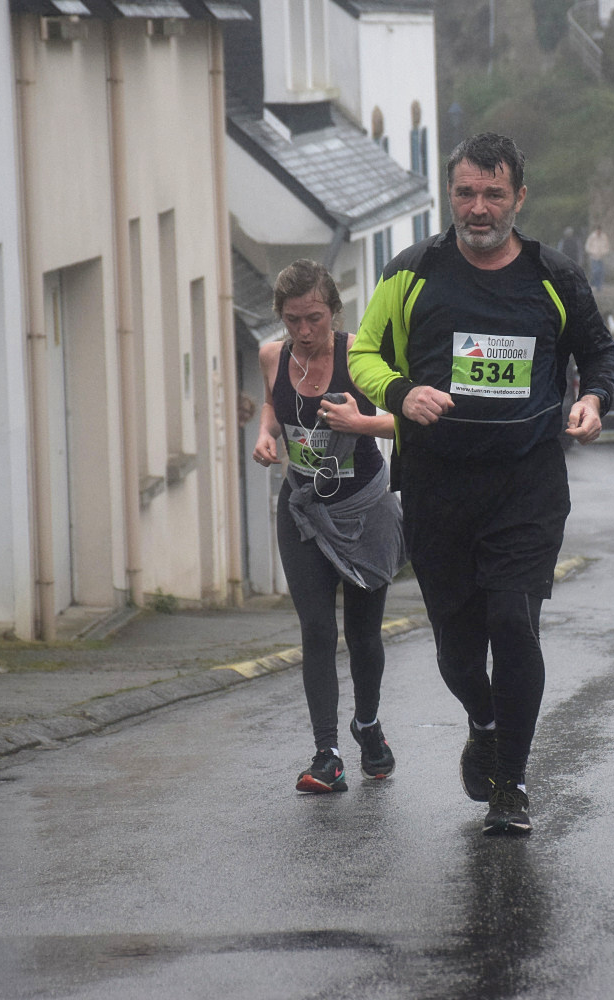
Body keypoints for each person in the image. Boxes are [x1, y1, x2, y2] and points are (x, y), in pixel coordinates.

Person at [349, 132, 614, 836]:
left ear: (519, 197)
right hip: (437, 487)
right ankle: (484, 721)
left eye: (493, 194)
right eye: (466, 193)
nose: (478, 208)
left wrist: (594, 400)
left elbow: (600, 353)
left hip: (526, 483)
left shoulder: (554, 277)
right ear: (450, 194)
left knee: (513, 620)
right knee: (458, 647)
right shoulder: (412, 273)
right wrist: (402, 392)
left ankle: (513, 783)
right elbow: (363, 354)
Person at [251, 259, 407, 794]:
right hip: (303, 508)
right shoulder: (272, 355)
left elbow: (406, 417)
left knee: (363, 635)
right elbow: (273, 405)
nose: (304, 331)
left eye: (314, 318)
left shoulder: (360, 356)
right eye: (293, 320)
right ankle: (327, 755)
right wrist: (266, 434)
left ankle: (368, 724)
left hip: (364, 509)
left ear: (334, 313)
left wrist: (359, 423)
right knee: (317, 631)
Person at [583, 225, 610, 291]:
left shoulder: (604, 237)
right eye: (598, 231)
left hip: (601, 257)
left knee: (601, 272)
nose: (599, 232)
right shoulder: (592, 237)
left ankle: (599, 286)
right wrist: (591, 252)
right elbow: (587, 246)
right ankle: (593, 284)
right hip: (593, 257)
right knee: (595, 272)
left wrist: (604, 252)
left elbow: (607, 246)